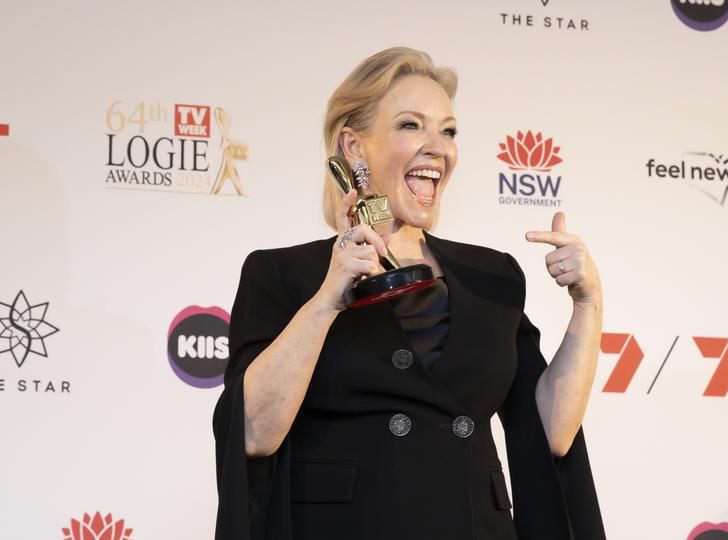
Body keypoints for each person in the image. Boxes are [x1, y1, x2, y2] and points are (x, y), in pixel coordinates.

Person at [213, 47, 606, 540]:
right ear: (355, 147)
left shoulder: (493, 275)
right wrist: (328, 300)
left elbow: (551, 429)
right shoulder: (284, 274)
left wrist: (588, 305)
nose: (438, 147)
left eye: (448, 130)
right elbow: (252, 433)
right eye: (410, 126)